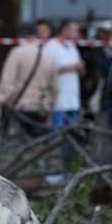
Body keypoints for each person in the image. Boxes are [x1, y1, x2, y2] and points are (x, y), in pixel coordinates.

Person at [0, 22, 57, 138]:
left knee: (17, 146)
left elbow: (7, 82)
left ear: (21, 35)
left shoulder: (17, 53)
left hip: (21, 107)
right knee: (37, 145)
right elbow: (53, 87)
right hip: (42, 108)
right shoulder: (48, 56)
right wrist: (51, 111)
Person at [44, 18, 85, 168]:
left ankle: (69, 169)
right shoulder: (51, 46)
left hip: (73, 101)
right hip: (58, 102)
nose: (77, 33)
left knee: (72, 138)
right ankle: (53, 172)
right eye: (75, 30)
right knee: (55, 137)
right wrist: (69, 67)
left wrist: (79, 67)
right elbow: (47, 70)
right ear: (65, 30)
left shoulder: (72, 46)